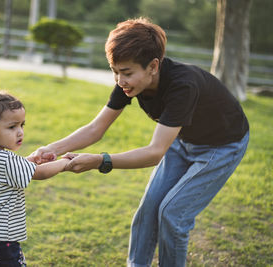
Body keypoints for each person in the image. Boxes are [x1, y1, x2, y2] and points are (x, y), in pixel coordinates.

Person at [29, 17, 249, 267]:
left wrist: (101, 161)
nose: (119, 80)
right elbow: (95, 128)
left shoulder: (182, 85)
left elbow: (155, 152)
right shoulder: (128, 84)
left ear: (153, 66)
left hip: (222, 146)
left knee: (172, 214)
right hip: (182, 140)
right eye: (115, 72)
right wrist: (52, 149)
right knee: (149, 210)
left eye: (126, 73)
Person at [0, 91, 70, 267]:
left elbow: (9, 171)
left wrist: (30, 161)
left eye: (22, 125)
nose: (20, 132)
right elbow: (40, 173)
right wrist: (65, 163)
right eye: (12, 127)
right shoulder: (6, 160)